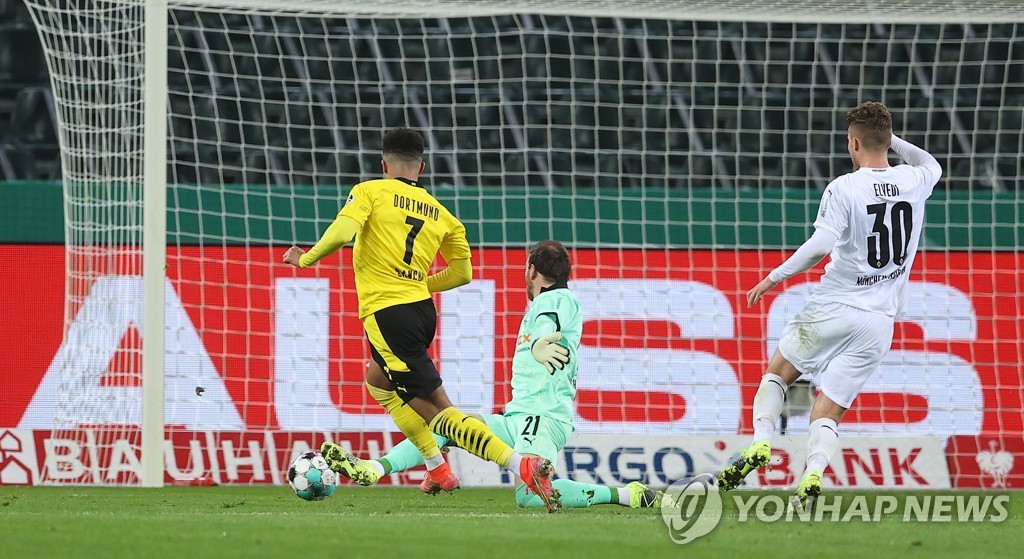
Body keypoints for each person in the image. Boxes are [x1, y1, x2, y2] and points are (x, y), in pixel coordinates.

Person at [283, 127, 558, 511]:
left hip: (388, 315)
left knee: (438, 409)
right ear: (422, 167)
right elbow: (462, 273)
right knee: (378, 381)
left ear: (384, 164)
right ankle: (436, 467)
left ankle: (521, 464)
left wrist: (306, 258)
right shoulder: (444, 216)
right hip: (421, 311)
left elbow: (344, 232)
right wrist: (419, 282)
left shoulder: (370, 191)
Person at [716, 102, 942, 508]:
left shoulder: (844, 188)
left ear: (853, 143)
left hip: (834, 305)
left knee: (779, 375)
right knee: (828, 410)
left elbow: (820, 246)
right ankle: (814, 472)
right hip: (879, 322)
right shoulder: (914, 180)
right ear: (887, 142)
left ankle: (761, 443)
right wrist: (892, 141)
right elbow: (931, 163)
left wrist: (773, 278)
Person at [331, 241, 662, 510]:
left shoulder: (559, 299)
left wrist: (540, 343)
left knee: (530, 496)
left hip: (542, 417)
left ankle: (626, 494)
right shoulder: (549, 302)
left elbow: (550, 323)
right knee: (449, 424)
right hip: (519, 413)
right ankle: (373, 469)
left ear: (533, 270)